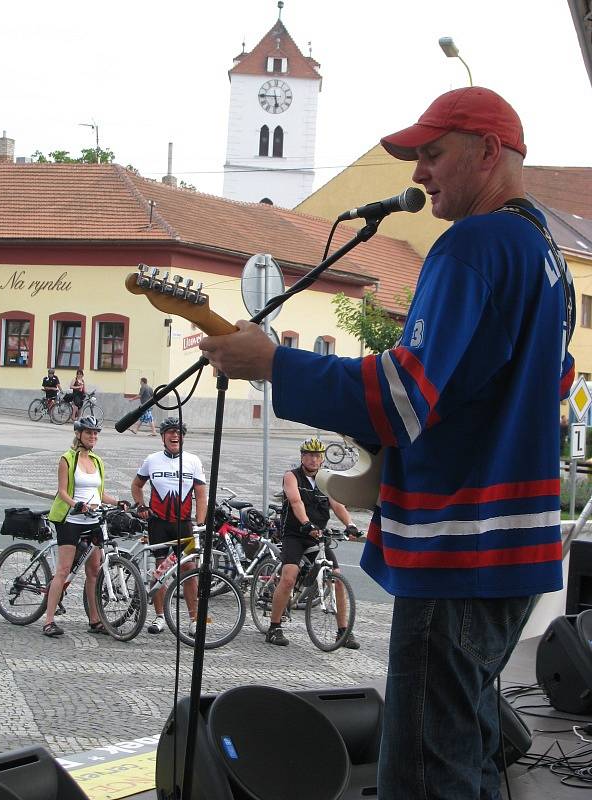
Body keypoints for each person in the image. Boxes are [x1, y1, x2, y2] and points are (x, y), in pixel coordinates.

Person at [199, 86, 576, 800]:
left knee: (429, 776)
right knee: (468, 751)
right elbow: (549, 382)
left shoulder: (475, 243)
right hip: (516, 551)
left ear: (490, 151)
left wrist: (274, 363)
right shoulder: (545, 256)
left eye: (433, 154)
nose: (418, 174)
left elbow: (402, 400)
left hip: (458, 548)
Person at [266, 436, 361, 649]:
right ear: (302, 457)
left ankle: (343, 631)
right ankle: (274, 627)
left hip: (318, 535)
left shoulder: (326, 479)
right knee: (289, 578)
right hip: (295, 534)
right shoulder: (292, 476)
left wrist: (351, 525)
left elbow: (337, 505)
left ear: (322, 459)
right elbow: (296, 501)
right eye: (309, 455)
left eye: (317, 455)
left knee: (336, 576)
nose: (313, 459)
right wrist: (307, 523)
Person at [44, 416, 125, 637]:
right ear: (79, 434)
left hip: (93, 521)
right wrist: (77, 504)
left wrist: (119, 502)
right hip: (71, 521)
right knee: (63, 570)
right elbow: (62, 491)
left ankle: (95, 620)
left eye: (96, 433)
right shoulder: (67, 459)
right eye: (89, 433)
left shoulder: (97, 461)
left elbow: (99, 494)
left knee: (93, 572)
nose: (93, 437)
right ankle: (49, 621)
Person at [131, 416, 207, 634]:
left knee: (189, 570)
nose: (175, 435)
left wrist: (200, 524)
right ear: (163, 437)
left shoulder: (193, 461)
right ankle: (159, 617)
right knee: (161, 570)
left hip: (184, 525)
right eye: (171, 432)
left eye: (179, 432)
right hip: (158, 524)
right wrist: (140, 505)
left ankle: (194, 619)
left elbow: (201, 496)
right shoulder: (152, 460)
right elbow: (136, 485)